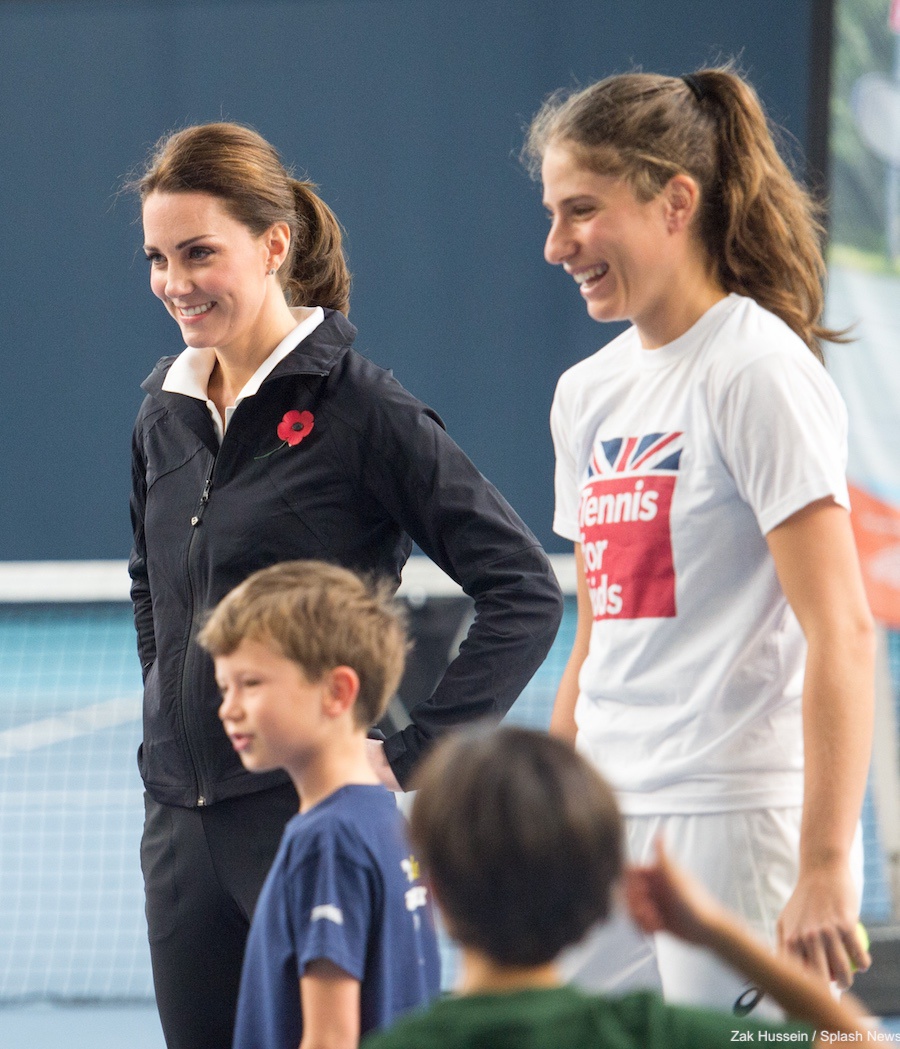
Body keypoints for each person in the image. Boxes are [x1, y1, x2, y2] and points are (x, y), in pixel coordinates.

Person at [128, 121, 562, 1049]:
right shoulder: (160, 415)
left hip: (308, 819)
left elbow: (524, 587)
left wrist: (413, 754)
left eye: (199, 252)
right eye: (158, 257)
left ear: (274, 244)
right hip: (179, 834)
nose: (174, 282)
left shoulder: (365, 410)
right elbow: (151, 582)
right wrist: (170, 703)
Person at [522, 67, 876, 1011]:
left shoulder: (756, 369)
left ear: (676, 201)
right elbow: (597, 632)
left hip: (730, 819)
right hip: (606, 816)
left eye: (582, 211)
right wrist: (553, 806)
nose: (557, 244)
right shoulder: (585, 394)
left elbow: (842, 629)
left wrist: (827, 862)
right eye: (553, 213)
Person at [361, 725, 874, 1049]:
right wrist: (717, 931)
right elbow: (855, 1042)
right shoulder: (649, 1032)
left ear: (432, 891)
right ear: (600, 889)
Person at [197, 560, 441, 1049]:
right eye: (225, 687)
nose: (228, 707)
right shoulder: (384, 823)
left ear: (337, 692)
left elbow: (330, 1039)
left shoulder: (325, 841)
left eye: (251, 683)